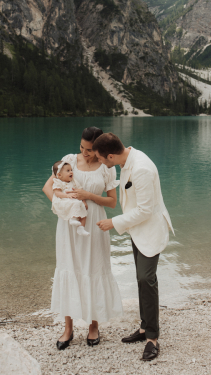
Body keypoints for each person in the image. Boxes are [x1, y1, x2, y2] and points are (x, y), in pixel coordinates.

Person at [93, 132, 174, 362]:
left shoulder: (141, 168)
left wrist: (113, 222)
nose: (100, 162)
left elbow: (146, 210)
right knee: (141, 279)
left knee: (146, 279)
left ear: (110, 155)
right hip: (137, 230)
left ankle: (152, 338)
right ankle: (144, 327)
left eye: (100, 158)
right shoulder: (127, 159)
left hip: (150, 230)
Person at [42, 126, 123, 350]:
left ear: (99, 148)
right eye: (82, 148)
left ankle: (93, 325)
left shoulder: (106, 167)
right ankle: (68, 329)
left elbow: (113, 202)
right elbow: (48, 187)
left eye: (89, 150)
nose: (85, 153)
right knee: (69, 267)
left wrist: (88, 196)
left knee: (93, 268)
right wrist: (63, 206)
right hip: (69, 223)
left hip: (95, 223)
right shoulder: (68, 161)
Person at [51, 160, 89, 237]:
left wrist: (84, 201)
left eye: (71, 170)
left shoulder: (74, 181)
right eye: (68, 171)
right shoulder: (58, 182)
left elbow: (80, 191)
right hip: (63, 200)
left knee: (84, 212)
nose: (71, 172)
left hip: (75, 201)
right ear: (59, 175)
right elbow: (57, 193)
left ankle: (81, 228)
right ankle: (73, 219)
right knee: (75, 203)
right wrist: (67, 196)